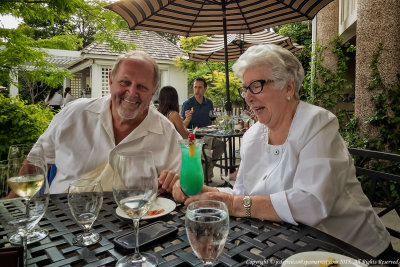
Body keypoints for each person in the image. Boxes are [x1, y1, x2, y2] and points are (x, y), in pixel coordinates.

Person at [173, 44, 393, 259]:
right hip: (294, 249)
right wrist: (207, 192)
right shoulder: (252, 137)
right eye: (245, 88)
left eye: (256, 85)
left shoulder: (317, 124)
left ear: (288, 88)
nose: (248, 97)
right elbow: (243, 196)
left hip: (354, 251)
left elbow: (312, 202)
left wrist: (233, 204)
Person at [27, 50, 181, 194]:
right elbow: (34, 164)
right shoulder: (74, 114)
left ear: (154, 91)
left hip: (134, 219)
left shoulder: (167, 134)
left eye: (141, 86)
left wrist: (175, 183)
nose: (132, 93)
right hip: (61, 217)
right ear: (111, 79)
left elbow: (182, 185)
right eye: (125, 82)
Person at [180, 77, 225, 181]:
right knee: (207, 149)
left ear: (205, 89)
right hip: (193, 138)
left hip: (209, 135)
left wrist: (215, 126)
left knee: (221, 145)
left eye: (199, 87)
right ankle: (206, 176)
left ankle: (208, 171)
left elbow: (212, 121)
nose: (197, 90)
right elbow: (182, 126)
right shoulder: (187, 104)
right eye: (195, 87)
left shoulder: (209, 103)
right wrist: (187, 119)